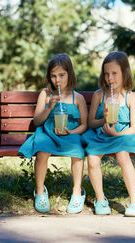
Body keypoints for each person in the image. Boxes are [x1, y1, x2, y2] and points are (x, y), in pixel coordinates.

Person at [82, 51, 135, 217]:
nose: (110, 78)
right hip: (103, 134)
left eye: (114, 73)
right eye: (106, 74)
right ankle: (100, 200)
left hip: (124, 134)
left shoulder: (129, 97)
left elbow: (134, 127)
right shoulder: (99, 95)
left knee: (122, 154)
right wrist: (103, 120)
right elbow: (91, 123)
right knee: (92, 158)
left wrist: (116, 134)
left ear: (124, 73)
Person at [18, 54, 88, 214]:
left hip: (70, 133)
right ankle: (40, 191)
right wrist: (49, 107)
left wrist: (72, 131)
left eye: (62, 75)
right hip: (48, 131)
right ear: (49, 77)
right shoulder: (45, 94)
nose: (58, 80)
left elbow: (84, 125)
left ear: (70, 74)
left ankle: (77, 191)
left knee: (78, 151)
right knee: (42, 151)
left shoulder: (78, 98)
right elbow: (37, 121)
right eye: (54, 76)